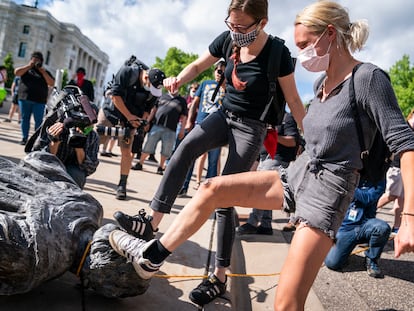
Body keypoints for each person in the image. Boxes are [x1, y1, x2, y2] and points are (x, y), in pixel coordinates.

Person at [109, 1, 414, 309]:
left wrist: (410, 219)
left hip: (328, 193)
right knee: (211, 189)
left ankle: (215, 274)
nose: (302, 55)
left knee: (286, 302)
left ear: (330, 34)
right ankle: (150, 257)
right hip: (298, 175)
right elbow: (310, 129)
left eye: (306, 45)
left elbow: (406, 144)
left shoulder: (368, 78)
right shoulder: (322, 82)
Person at [113, 0, 305, 306]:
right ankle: (152, 221)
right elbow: (199, 65)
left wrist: (310, 138)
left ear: (263, 23)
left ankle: (219, 276)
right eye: (232, 24)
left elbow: (294, 99)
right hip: (224, 115)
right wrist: (179, 78)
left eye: (243, 27)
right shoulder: (227, 38)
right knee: (185, 147)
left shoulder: (277, 53)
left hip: (252, 127)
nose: (236, 32)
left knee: (224, 197)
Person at [102, 56, 165, 200]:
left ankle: (122, 185)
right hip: (111, 112)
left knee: (126, 151)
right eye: (152, 86)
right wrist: (129, 116)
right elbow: (115, 96)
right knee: (95, 138)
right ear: (146, 76)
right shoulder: (128, 73)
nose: (152, 91)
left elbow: (148, 108)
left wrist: (141, 121)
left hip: (130, 118)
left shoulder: (153, 89)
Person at [236, 112, 299, 235]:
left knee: (262, 190)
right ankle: (266, 225)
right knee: (267, 193)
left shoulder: (287, 117)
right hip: (264, 157)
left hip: (277, 158)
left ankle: (253, 222)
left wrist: (275, 137)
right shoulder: (266, 118)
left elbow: (292, 141)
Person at [178, 60, 227, 196]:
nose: (220, 74)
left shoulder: (228, 88)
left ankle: (207, 194)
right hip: (201, 124)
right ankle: (184, 186)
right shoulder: (206, 84)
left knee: (213, 161)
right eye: (218, 71)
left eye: (223, 71)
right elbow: (195, 103)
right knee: (191, 155)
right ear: (214, 71)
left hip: (218, 128)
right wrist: (189, 121)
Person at [325, 179, 391, 278]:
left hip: (365, 225)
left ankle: (371, 259)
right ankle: (343, 250)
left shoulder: (379, 180)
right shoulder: (349, 174)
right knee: (332, 264)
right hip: (345, 228)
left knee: (382, 228)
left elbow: (368, 198)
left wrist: (348, 185)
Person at [132, 91, 188, 175]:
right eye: (172, 86)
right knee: (148, 145)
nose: (173, 88)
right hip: (157, 125)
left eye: (176, 86)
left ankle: (161, 167)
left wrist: (182, 130)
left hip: (171, 129)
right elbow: (153, 110)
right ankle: (140, 163)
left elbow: (184, 117)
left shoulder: (182, 101)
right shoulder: (162, 97)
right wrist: (147, 122)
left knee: (166, 150)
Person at [377, 109, 414, 233]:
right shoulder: (404, 127)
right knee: (391, 195)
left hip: (406, 169)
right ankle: (367, 212)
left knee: (401, 199)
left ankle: (397, 227)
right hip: (396, 168)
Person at [38, 119, 100, 189]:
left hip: (73, 170)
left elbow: (90, 168)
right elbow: (41, 160)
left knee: (76, 175)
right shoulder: (53, 127)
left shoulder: (92, 136)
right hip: (52, 165)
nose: (88, 127)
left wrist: (78, 146)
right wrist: (55, 141)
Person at [14, 51, 55, 145]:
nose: (36, 61)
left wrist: (43, 72)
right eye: (34, 59)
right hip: (24, 98)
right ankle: (24, 138)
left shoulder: (45, 72)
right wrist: (29, 66)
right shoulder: (26, 70)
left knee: (39, 121)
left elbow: (51, 83)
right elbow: (16, 72)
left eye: (38, 60)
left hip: (39, 101)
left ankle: (37, 140)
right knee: (25, 119)